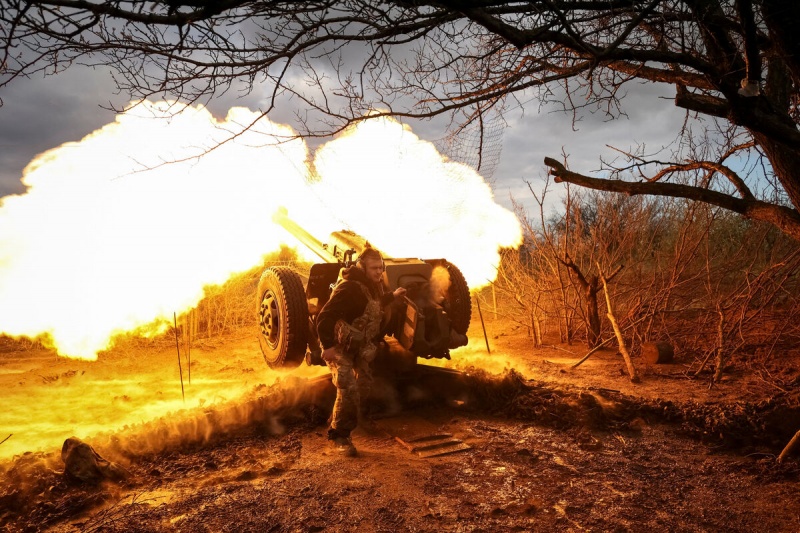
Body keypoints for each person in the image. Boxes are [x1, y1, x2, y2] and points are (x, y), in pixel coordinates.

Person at [316, 246, 406, 456]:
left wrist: (393, 295)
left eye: (380, 268)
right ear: (362, 267)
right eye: (374, 268)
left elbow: (373, 305)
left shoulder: (372, 286)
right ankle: (339, 436)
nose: (378, 272)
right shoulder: (348, 288)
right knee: (349, 388)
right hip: (338, 346)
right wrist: (328, 347)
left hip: (358, 346)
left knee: (364, 386)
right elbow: (323, 318)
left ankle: (338, 418)